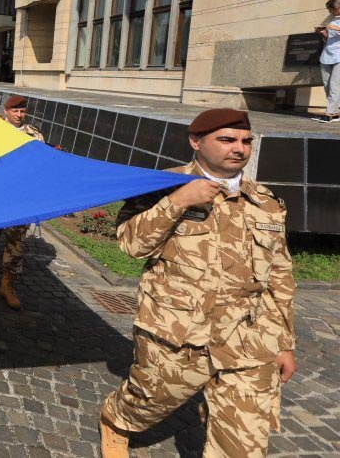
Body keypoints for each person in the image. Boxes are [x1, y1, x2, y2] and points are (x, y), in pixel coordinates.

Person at [99, 108, 296, 458]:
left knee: (245, 448)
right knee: (148, 402)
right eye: (227, 139)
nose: (239, 148)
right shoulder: (163, 186)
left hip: (249, 340)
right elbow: (132, 245)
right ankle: (116, 420)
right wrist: (177, 202)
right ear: (196, 142)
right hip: (179, 332)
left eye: (246, 141)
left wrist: (284, 342)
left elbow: (280, 275)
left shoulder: (265, 202)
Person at [0, 95, 43, 309]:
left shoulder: (35, 135)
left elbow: (39, 165)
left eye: (23, 112)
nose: (20, 115)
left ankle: (7, 284)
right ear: (6, 111)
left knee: (17, 243)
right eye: (16, 112)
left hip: (21, 197)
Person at [314, 0, 340, 122]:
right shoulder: (333, 21)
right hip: (327, 56)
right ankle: (336, 112)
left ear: (338, 8)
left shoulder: (335, 24)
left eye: (331, 9)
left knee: (335, 85)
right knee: (327, 86)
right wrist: (322, 32)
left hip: (339, 57)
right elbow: (329, 39)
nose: (330, 12)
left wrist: (337, 29)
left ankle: (330, 113)